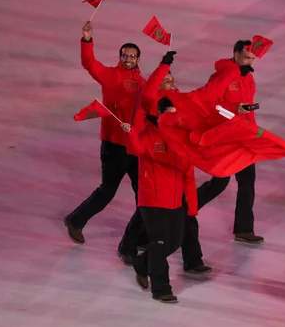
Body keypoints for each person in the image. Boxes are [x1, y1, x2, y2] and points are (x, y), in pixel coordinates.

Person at [117, 52, 211, 274]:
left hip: (178, 160)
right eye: (166, 79)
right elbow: (149, 91)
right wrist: (164, 65)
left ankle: (193, 260)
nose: (171, 82)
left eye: (172, 79)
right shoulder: (152, 102)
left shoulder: (178, 101)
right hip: (154, 158)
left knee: (184, 213)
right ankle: (128, 246)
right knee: (148, 210)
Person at [63, 21, 145, 244]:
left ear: (138, 59)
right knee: (108, 191)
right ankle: (75, 220)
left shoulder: (142, 82)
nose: (128, 59)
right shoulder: (109, 75)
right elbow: (88, 63)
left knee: (144, 195)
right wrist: (87, 39)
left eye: (132, 56)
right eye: (124, 56)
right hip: (114, 145)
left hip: (135, 146)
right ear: (120, 57)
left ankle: (140, 236)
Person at [125, 97, 198, 303]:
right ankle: (161, 288)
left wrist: (191, 207)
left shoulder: (181, 140)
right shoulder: (148, 135)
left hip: (175, 202)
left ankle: (142, 263)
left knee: (174, 242)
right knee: (159, 242)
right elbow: (135, 149)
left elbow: (189, 175)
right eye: (168, 114)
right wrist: (131, 132)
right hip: (152, 201)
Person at [195, 40, 263, 243]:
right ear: (235, 54)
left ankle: (244, 228)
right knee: (219, 183)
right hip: (224, 137)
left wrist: (252, 133)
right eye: (246, 57)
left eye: (252, 58)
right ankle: (184, 208)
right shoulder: (220, 76)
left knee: (247, 182)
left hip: (243, 137)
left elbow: (248, 109)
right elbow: (208, 103)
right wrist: (234, 109)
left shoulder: (248, 77)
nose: (250, 61)